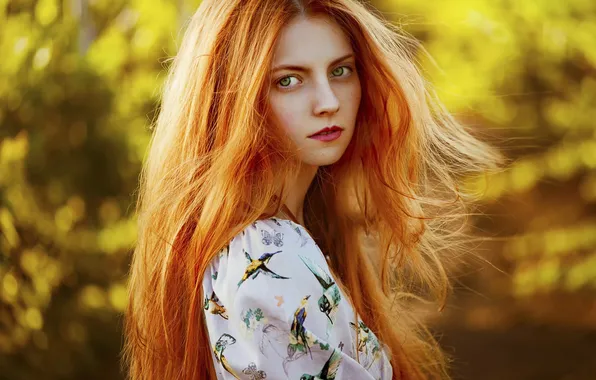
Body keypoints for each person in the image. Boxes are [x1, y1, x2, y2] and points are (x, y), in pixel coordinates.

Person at [122, 0, 502, 379]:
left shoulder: (289, 233)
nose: (329, 102)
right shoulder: (272, 253)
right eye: (288, 80)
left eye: (340, 71)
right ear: (235, 99)